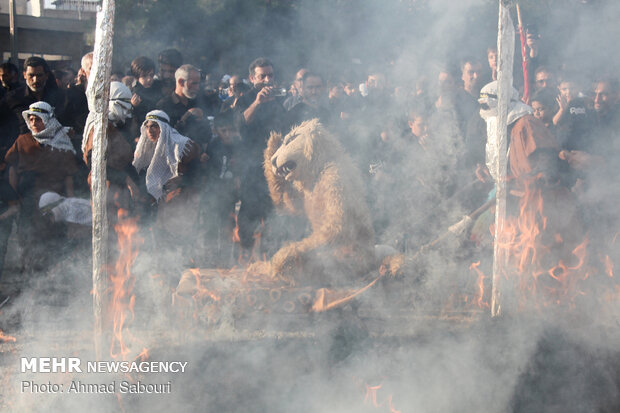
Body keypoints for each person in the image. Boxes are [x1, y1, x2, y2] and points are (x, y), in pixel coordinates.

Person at [4, 101, 78, 272]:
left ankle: (50, 279)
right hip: (28, 200)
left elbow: (68, 177)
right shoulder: (22, 140)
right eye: (31, 120)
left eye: (38, 120)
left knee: (52, 241)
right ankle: (29, 280)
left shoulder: (62, 142)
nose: (34, 124)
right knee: (28, 240)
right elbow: (12, 169)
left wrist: (70, 202)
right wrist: (14, 196)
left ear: (48, 120)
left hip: (53, 200)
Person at [132, 110, 201, 278]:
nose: (150, 131)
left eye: (155, 126)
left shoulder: (183, 146)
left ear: (164, 128)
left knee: (180, 240)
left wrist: (182, 180)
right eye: (147, 126)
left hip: (181, 202)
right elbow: (142, 173)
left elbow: (200, 174)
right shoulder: (145, 147)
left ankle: (184, 274)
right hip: (159, 206)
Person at [234, 57, 287, 255]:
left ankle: (271, 256)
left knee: (274, 215)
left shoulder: (280, 100)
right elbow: (240, 124)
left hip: (277, 168)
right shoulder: (245, 99)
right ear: (252, 78)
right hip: (252, 167)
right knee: (249, 213)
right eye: (262, 76)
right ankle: (246, 256)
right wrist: (257, 102)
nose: (267, 80)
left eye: (270, 75)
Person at [82, 81, 137, 223]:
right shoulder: (100, 127)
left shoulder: (115, 125)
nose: (125, 112)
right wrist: (125, 179)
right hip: (106, 188)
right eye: (121, 107)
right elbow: (95, 164)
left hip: (118, 188)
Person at [156, 64, 211, 152]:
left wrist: (203, 120)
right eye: (193, 83)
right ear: (181, 82)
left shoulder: (197, 102)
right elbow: (165, 137)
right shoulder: (164, 105)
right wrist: (186, 117)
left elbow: (207, 135)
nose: (197, 88)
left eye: (198, 83)